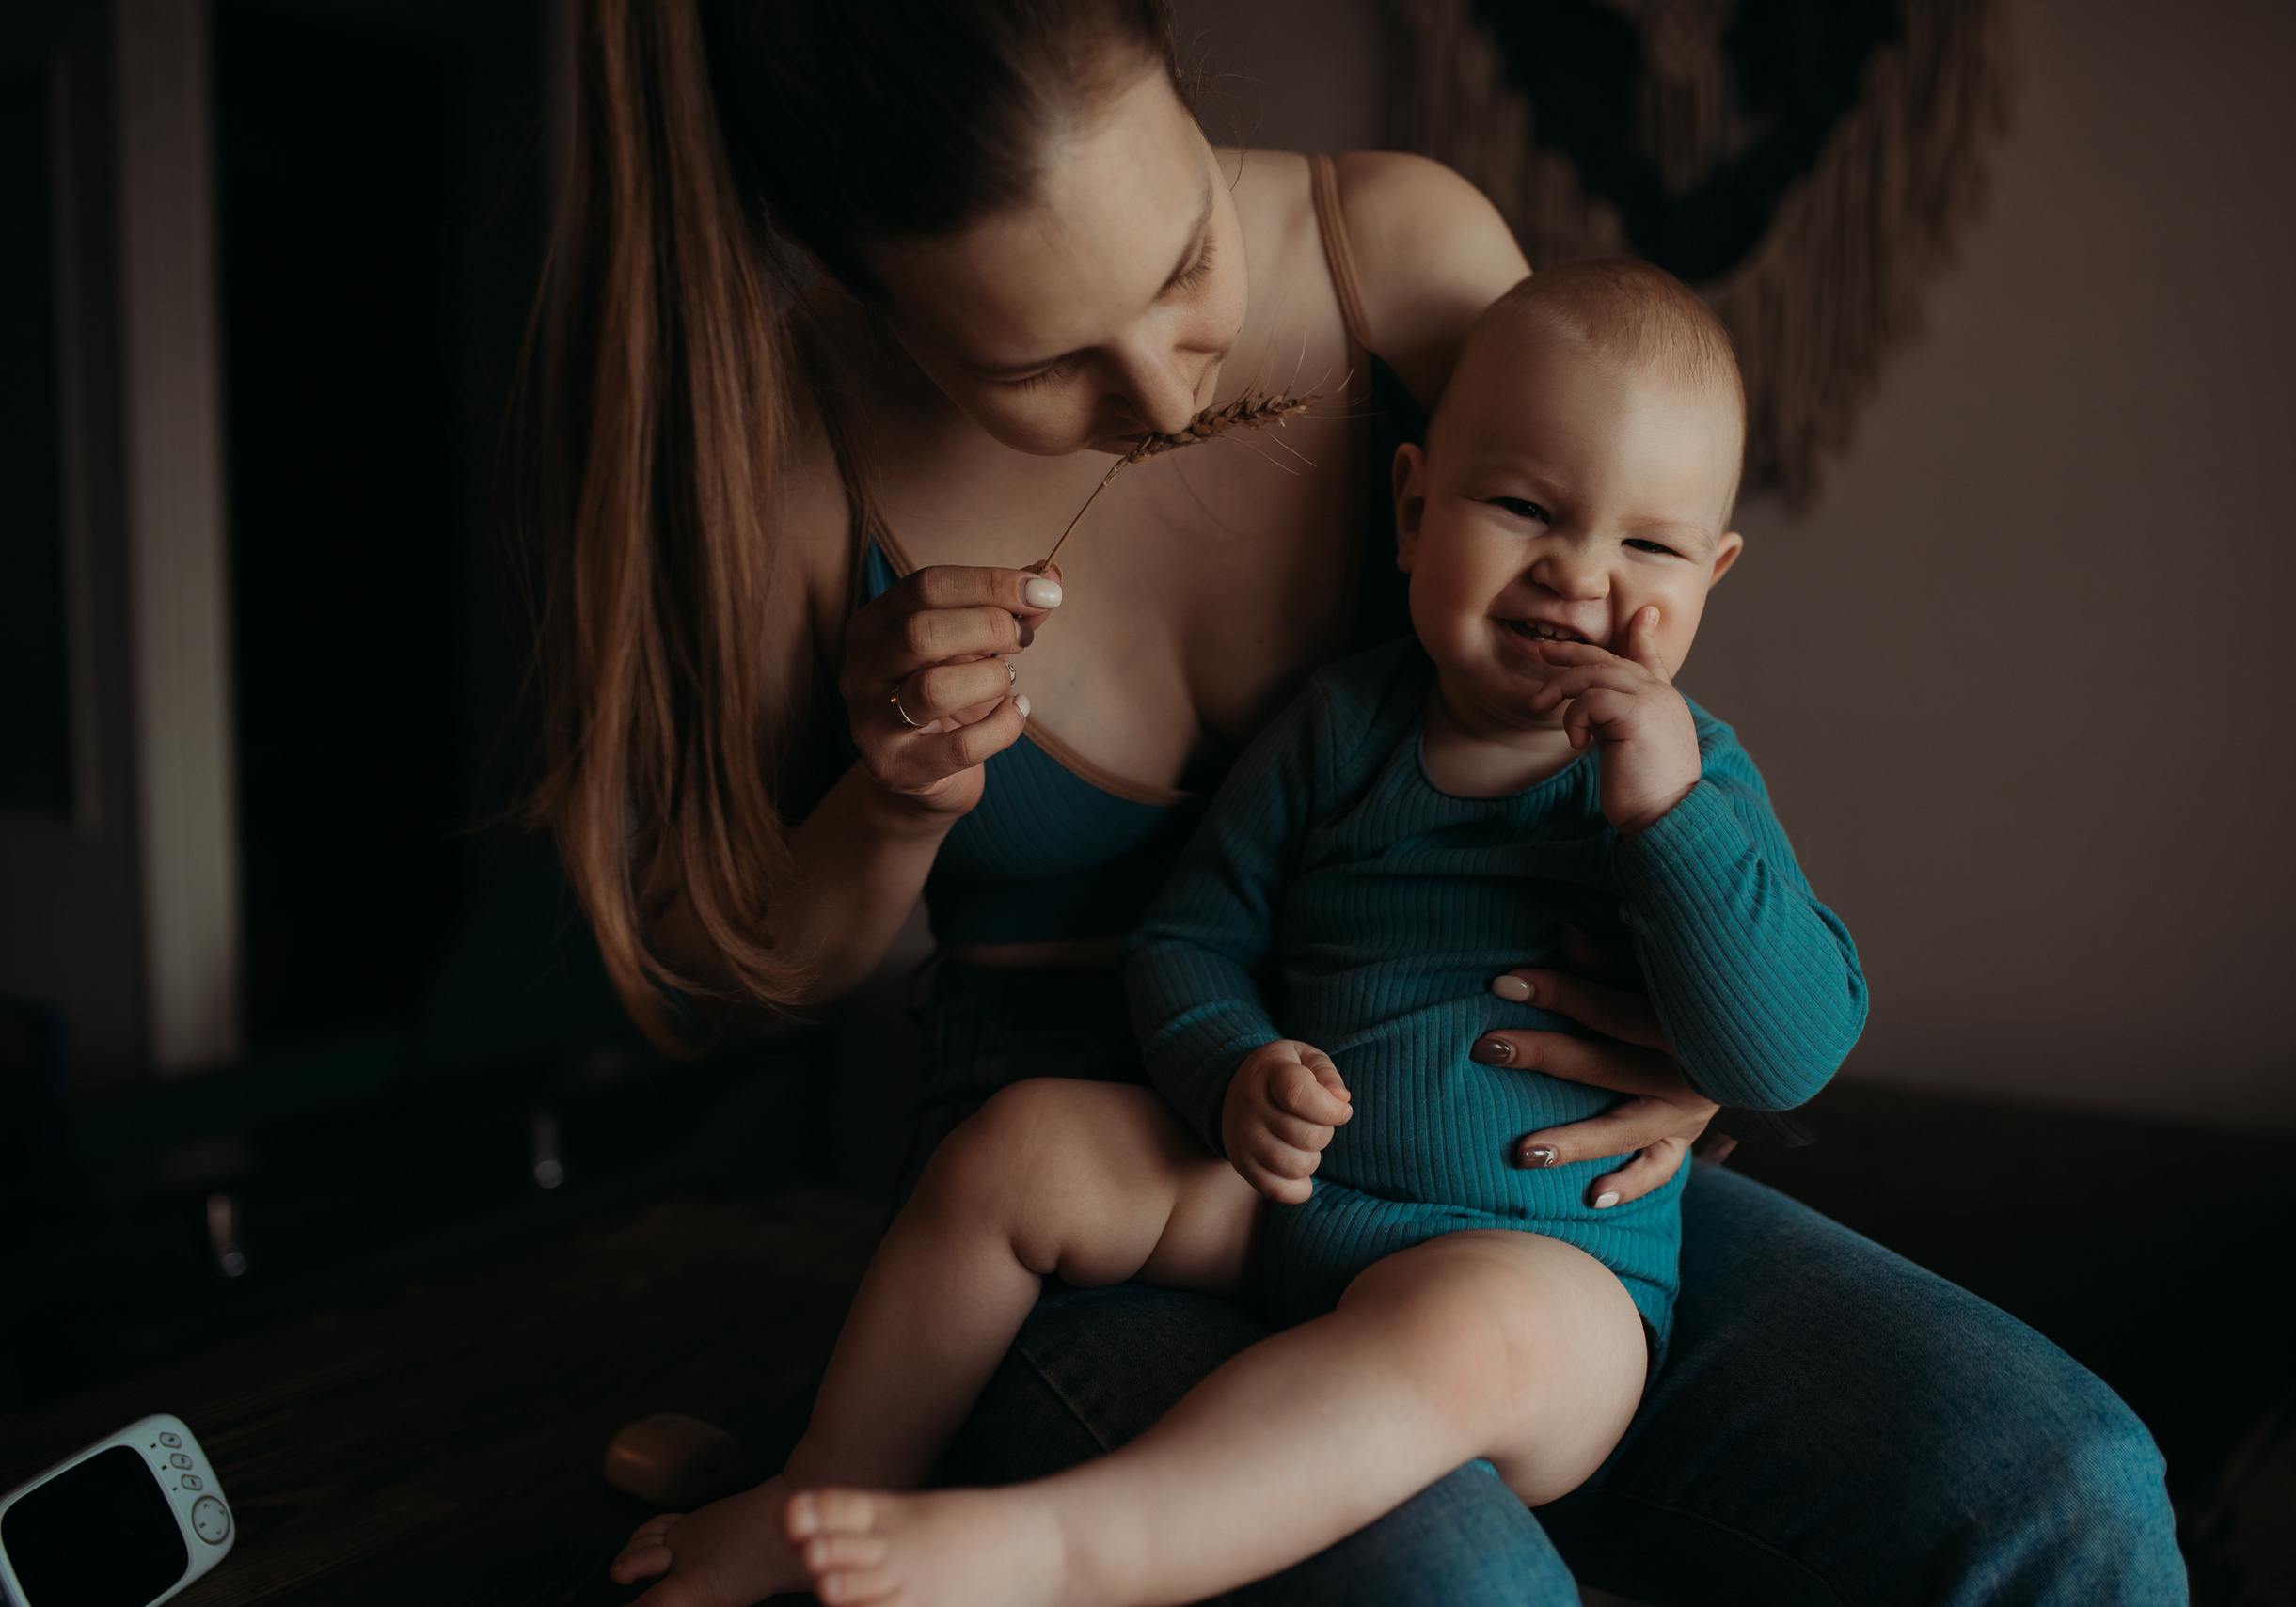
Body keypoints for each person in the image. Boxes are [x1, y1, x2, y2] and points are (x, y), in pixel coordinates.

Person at [536, 1, 2186, 1601]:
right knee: (1444, 1577)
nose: (1172, 402)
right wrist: (896, 802)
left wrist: (1700, 1041)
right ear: (876, 303)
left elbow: (1625, 526)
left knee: (2058, 1487)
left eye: (1184, 261)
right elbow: (742, 957)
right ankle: (897, 1504)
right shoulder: (789, 441)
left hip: (1521, 1161)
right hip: (1137, 1149)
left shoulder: (1399, 259)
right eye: (1039, 364)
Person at [610, 259, 1867, 1606]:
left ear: (1713, 572)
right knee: (1023, 1144)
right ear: (1412, 505)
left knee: (1449, 1347)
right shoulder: (1340, 728)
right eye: (1522, 506)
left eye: (1649, 545)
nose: (1578, 572)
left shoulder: (1701, 785)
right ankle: (826, 1474)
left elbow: (1789, 1050)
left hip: (1539, 1270)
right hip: (1282, 1202)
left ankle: (1057, 1546)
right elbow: (1189, 941)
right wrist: (1236, 1067)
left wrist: (1667, 814)